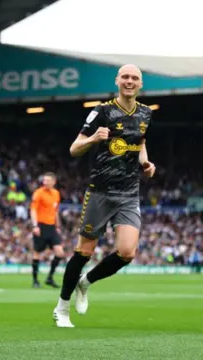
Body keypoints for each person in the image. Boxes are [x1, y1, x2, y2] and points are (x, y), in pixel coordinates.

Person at [53, 64, 155, 328]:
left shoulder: (146, 113)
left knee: (127, 252)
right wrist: (93, 139)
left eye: (135, 78)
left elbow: (141, 143)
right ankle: (62, 308)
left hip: (129, 193)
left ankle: (85, 283)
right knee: (84, 251)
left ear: (140, 83)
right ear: (117, 81)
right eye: (125, 77)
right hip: (100, 191)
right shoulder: (102, 111)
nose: (130, 81)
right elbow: (74, 149)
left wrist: (146, 163)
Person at [30, 172, 64, 288]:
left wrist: (58, 226)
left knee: (60, 253)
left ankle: (50, 277)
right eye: (44, 180)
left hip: (52, 227)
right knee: (37, 253)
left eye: (47, 180)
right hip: (40, 225)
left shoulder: (56, 194)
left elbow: (55, 211)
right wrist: (35, 226)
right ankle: (35, 281)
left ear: (53, 182)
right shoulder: (38, 193)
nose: (45, 182)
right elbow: (33, 210)